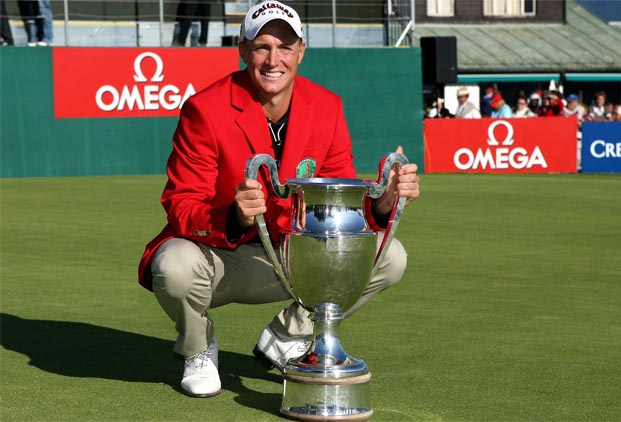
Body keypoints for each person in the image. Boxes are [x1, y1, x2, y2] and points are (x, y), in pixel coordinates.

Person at [137, 0, 420, 398]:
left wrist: (383, 203)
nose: (274, 59)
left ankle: (291, 335)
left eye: (285, 47)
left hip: (294, 256)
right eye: (262, 46)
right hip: (222, 256)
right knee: (172, 266)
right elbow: (181, 202)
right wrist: (234, 216)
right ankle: (198, 348)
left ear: (301, 51)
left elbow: (339, 204)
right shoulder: (204, 109)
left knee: (390, 256)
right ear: (242, 49)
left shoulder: (327, 107)